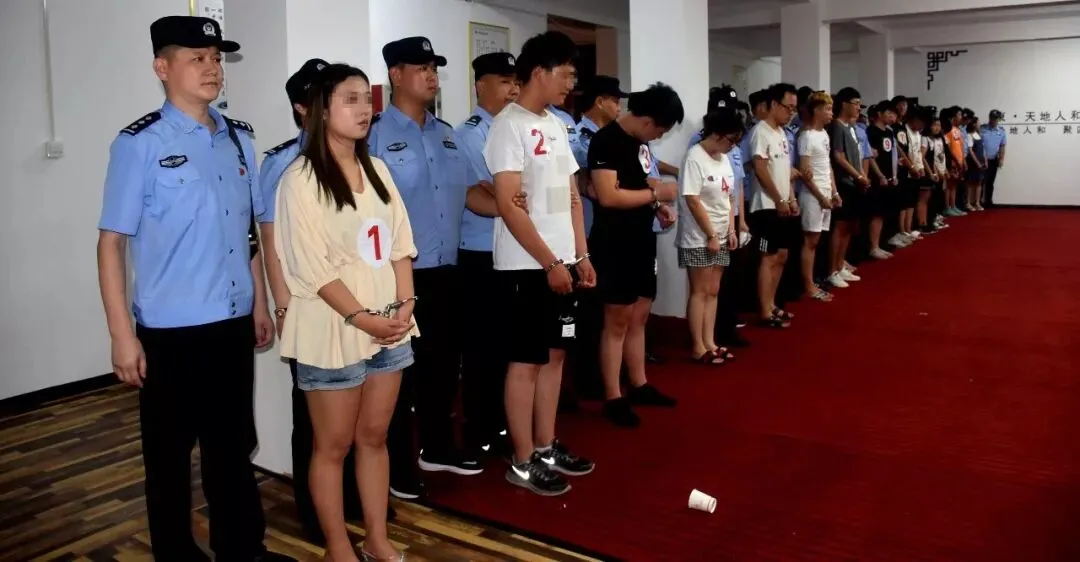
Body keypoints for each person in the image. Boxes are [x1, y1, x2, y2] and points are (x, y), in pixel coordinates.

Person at [96, 16, 292, 562]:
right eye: (197, 58)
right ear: (162, 68)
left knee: (232, 447)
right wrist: (121, 335)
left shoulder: (239, 138)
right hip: (170, 332)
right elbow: (111, 243)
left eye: (216, 58)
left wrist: (258, 301)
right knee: (169, 458)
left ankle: (242, 550)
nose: (212, 69)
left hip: (231, 323)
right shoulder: (139, 144)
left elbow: (247, 232)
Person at [275, 63, 414, 562]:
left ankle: (376, 537)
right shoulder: (300, 179)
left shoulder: (378, 170)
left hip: (389, 326)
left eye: (366, 99)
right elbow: (313, 269)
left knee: (374, 437)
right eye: (349, 100)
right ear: (320, 110)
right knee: (332, 446)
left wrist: (405, 306)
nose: (364, 109)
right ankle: (338, 547)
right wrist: (362, 318)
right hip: (332, 329)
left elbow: (400, 246)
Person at [483, 30, 596, 495]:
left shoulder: (556, 124)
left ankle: (546, 445)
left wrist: (580, 254)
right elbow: (509, 206)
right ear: (540, 72)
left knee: (555, 355)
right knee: (525, 362)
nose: (571, 84)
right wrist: (550, 263)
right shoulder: (507, 126)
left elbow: (571, 196)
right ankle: (523, 457)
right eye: (566, 74)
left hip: (561, 261)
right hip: (526, 267)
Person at [368, 36, 478, 500]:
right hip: (399, 275)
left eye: (435, 68)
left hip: (448, 268)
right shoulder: (373, 135)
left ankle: (438, 447)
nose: (432, 76)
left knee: (443, 365)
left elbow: (470, 194)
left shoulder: (446, 134)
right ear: (396, 75)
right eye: (421, 68)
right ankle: (396, 464)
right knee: (399, 374)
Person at [588, 83, 684, 428]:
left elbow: (640, 187)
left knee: (640, 314)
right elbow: (608, 196)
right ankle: (613, 395)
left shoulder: (640, 144)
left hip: (642, 238)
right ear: (647, 120)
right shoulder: (606, 141)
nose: (659, 136)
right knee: (617, 319)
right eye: (661, 130)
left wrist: (657, 205)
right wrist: (656, 195)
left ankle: (639, 382)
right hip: (614, 242)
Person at [454, 51, 521, 457]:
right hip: (479, 252)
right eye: (504, 81)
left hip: (512, 251)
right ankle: (479, 427)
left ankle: (502, 422)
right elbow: (486, 194)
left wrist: (512, 196)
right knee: (481, 348)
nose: (513, 89)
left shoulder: (516, 129)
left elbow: (514, 191)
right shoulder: (469, 135)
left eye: (515, 82)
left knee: (507, 344)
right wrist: (513, 198)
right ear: (481, 85)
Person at [567, 75, 630, 404]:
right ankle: (586, 378)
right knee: (586, 312)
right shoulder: (580, 138)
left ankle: (605, 372)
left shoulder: (614, 137)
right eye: (614, 100)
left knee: (605, 307)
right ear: (599, 101)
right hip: (585, 232)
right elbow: (585, 185)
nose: (619, 106)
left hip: (606, 232)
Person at [677, 108, 743, 364]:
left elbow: (729, 196)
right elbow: (692, 200)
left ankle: (710, 341)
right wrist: (711, 235)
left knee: (714, 290)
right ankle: (697, 346)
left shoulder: (723, 158)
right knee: (700, 290)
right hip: (699, 236)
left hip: (722, 232)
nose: (733, 145)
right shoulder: (694, 157)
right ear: (717, 134)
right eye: (731, 139)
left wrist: (731, 229)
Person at [748, 82, 800, 328]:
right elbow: (760, 169)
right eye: (788, 107)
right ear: (774, 104)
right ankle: (764, 310)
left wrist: (791, 198)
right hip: (766, 205)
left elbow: (784, 171)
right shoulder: (761, 131)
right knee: (768, 257)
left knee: (782, 255)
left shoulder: (781, 133)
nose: (791, 113)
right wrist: (778, 199)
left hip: (782, 203)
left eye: (794, 109)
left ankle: (772, 304)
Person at [795, 91, 838, 302]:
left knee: (817, 240)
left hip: (825, 192)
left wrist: (834, 191)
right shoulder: (806, 136)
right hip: (812, 195)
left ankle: (813, 280)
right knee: (809, 241)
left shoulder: (824, 134)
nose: (831, 113)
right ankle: (808, 285)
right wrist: (820, 196)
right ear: (817, 110)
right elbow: (804, 172)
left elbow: (827, 166)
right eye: (828, 109)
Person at [825, 88, 869, 289]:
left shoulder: (852, 127)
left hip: (855, 183)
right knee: (840, 226)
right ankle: (832, 270)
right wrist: (858, 176)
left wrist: (862, 175)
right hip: (844, 182)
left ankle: (840, 263)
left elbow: (858, 156)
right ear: (844, 104)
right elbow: (838, 157)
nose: (859, 107)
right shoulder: (836, 126)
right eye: (855, 103)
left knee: (850, 225)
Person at [865, 101, 899, 259]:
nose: (892, 117)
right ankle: (873, 246)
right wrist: (879, 175)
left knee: (884, 212)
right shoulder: (871, 131)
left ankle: (880, 243)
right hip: (877, 177)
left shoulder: (889, 132)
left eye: (894, 114)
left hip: (889, 177)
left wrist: (894, 175)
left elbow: (893, 155)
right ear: (879, 114)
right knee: (876, 213)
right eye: (889, 113)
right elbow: (870, 157)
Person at [893, 107, 927, 245]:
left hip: (915, 171)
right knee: (904, 202)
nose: (921, 126)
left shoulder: (918, 134)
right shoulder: (904, 130)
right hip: (905, 170)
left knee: (912, 200)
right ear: (914, 120)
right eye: (920, 123)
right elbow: (902, 151)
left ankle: (908, 228)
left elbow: (918, 153)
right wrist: (911, 167)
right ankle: (902, 229)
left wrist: (921, 167)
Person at [941, 107, 967, 217]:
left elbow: (961, 147)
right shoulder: (948, 130)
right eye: (959, 114)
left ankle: (953, 206)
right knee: (949, 185)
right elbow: (948, 148)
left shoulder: (957, 130)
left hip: (959, 162)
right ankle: (947, 207)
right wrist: (954, 161)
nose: (961, 117)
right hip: (952, 162)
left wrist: (963, 161)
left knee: (954, 185)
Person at [980, 109, 1007, 208]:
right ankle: (978, 201)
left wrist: (1001, 158)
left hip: (993, 159)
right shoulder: (982, 129)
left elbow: (1002, 146)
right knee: (980, 181)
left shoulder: (1001, 131)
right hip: (981, 159)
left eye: (996, 119)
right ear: (989, 118)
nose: (995, 120)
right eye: (993, 118)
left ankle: (988, 201)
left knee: (990, 181)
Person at [964, 116, 987, 212]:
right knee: (970, 182)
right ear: (974, 124)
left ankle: (977, 202)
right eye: (978, 123)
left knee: (979, 182)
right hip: (973, 162)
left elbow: (983, 149)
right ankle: (968, 202)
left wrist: (985, 160)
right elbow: (970, 150)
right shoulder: (969, 135)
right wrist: (977, 162)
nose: (979, 124)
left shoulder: (979, 135)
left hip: (981, 161)